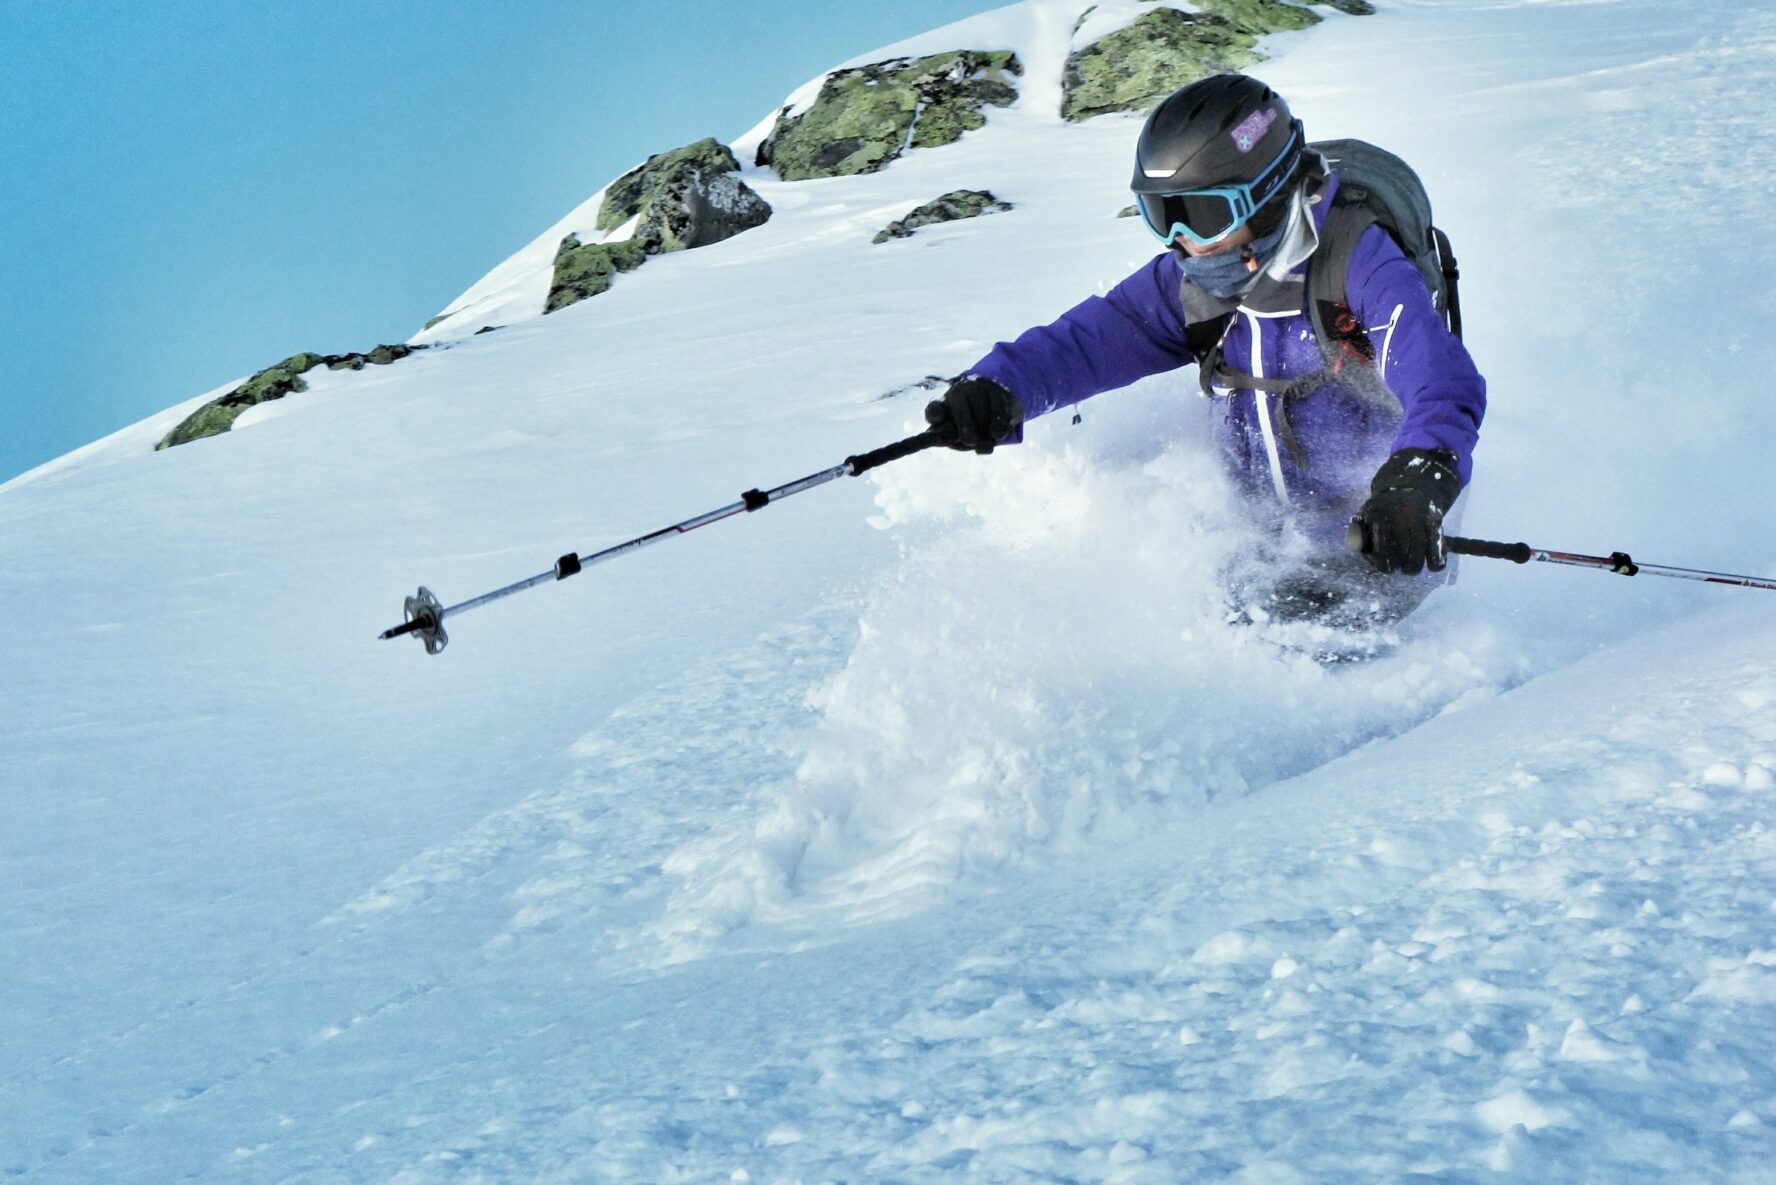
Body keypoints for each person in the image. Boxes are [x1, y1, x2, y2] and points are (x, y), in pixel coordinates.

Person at [923, 73, 1485, 633]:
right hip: (1261, 555)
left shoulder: (1358, 261)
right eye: (1162, 213)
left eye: (1203, 213)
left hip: (1384, 548)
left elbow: (1440, 380)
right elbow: (1095, 339)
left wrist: (1417, 483)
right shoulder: (1196, 280)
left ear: (1265, 196)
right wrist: (999, 388)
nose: (1181, 239)